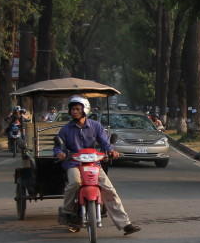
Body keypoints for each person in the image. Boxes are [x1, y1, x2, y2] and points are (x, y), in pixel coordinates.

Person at [54, 95, 140, 235]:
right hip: (74, 164)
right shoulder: (66, 129)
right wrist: (59, 153)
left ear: (84, 110)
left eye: (77, 109)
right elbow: (58, 146)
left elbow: (105, 143)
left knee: (109, 189)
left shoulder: (96, 126)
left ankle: (125, 224)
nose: (74, 112)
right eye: (72, 109)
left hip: (93, 164)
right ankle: (68, 213)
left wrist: (111, 151)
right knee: (74, 183)